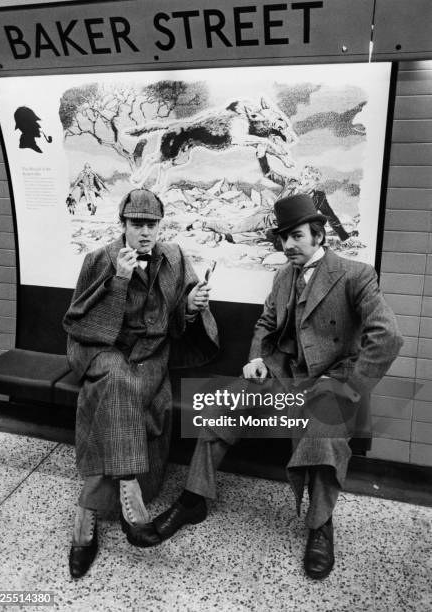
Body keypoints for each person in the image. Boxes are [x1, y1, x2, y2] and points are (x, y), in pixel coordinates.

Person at [143, 194, 403, 580]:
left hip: (330, 378)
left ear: (318, 234)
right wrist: (257, 358)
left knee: (324, 430)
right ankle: (193, 499)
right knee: (219, 406)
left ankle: (320, 525)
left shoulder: (356, 274)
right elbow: (266, 323)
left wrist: (351, 387)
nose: (288, 246)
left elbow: (388, 337)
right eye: (283, 239)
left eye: (296, 236)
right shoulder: (283, 275)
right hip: (281, 372)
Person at [63, 188, 218, 579]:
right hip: (102, 348)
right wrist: (119, 280)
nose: (146, 233)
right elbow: (83, 324)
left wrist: (194, 308)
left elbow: (178, 321)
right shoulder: (99, 259)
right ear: (124, 225)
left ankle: (86, 515)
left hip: (150, 355)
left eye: (152, 225)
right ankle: (130, 490)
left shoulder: (175, 257)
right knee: (117, 379)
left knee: (116, 392)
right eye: (137, 225)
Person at [257, 145, 357, 242]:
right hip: (270, 220)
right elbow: (269, 174)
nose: (302, 181)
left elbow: (332, 218)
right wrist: (262, 157)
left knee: (274, 237)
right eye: (303, 176)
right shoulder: (290, 182)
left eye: (308, 179)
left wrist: (345, 238)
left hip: (292, 231)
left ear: (314, 184)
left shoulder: (319, 198)